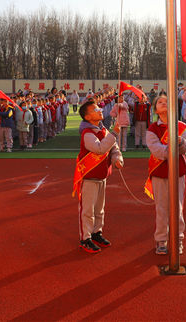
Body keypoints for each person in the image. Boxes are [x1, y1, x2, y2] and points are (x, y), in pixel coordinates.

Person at [74, 99, 124, 254]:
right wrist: (115, 133)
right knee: (87, 210)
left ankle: (97, 233)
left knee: (99, 209)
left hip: (102, 176)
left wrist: (117, 159)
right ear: (87, 117)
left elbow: (113, 148)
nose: (100, 110)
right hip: (89, 176)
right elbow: (100, 149)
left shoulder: (103, 130)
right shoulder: (87, 134)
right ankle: (85, 238)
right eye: (96, 110)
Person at [146, 94, 186, 255]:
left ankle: (178, 239)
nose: (163, 103)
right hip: (160, 172)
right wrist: (172, 149)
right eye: (160, 102)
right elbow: (157, 150)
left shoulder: (181, 126)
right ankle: (161, 240)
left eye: (167, 101)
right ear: (156, 109)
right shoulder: (152, 129)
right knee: (162, 208)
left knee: (177, 208)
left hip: (178, 172)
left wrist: (180, 142)